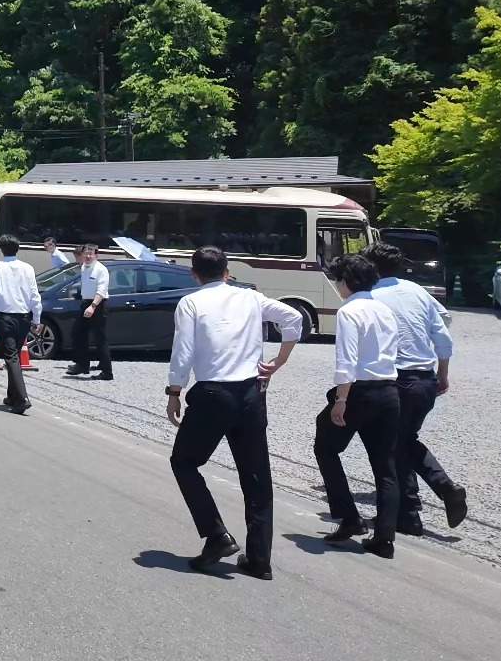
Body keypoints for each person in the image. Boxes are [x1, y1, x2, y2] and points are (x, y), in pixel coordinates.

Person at [166, 246, 303, 578]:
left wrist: (174, 391)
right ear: (227, 271)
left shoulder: (191, 302)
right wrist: (279, 361)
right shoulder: (250, 298)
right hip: (251, 393)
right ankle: (260, 559)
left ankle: (216, 536)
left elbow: (183, 350)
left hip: (212, 394)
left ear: (194, 274)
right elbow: (293, 317)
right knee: (256, 476)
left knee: (184, 463)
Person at [364, 242, 468, 533]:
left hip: (395, 380)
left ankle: (424, 503)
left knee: (394, 444)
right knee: (403, 440)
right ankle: (418, 506)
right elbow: (443, 331)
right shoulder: (417, 291)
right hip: (425, 378)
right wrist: (442, 373)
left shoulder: (370, 296)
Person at [316, 253, 403, 559]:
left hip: (359, 392)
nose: (336, 285)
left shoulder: (350, 311)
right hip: (389, 391)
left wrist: (341, 399)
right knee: (386, 467)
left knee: (326, 448)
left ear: (346, 281)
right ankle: (385, 539)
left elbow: (347, 360)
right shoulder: (386, 309)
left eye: (337, 279)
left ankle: (350, 518)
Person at [0, 235, 41, 415]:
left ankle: (22, 398)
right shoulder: (27, 268)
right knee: (16, 357)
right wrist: (36, 318)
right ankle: (12, 395)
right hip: (24, 317)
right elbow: (35, 296)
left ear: (1, 249)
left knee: (11, 357)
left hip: (4, 317)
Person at [66, 244, 113, 379]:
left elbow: (101, 291)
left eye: (90, 254)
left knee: (99, 339)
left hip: (97, 305)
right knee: (77, 333)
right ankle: (82, 365)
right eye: (85, 253)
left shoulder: (100, 270)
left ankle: (107, 372)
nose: (87, 256)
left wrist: (93, 306)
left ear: (96, 255)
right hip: (85, 303)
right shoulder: (83, 268)